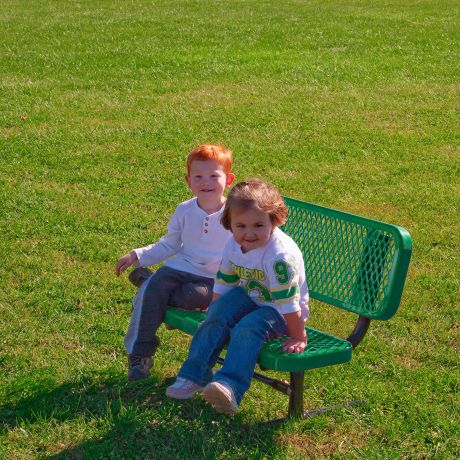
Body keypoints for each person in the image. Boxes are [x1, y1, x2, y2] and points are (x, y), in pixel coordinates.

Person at [166, 179, 309, 414]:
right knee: (218, 313)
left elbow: (289, 302)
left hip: (280, 310)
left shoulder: (278, 257)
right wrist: (215, 309)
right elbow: (226, 280)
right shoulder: (233, 244)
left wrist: (298, 336)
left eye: (258, 225)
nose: (249, 233)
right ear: (229, 224)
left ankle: (229, 386)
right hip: (252, 296)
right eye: (240, 226)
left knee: (248, 327)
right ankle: (194, 375)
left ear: (275, 221)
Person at [115, 144, 235, 381]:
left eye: (214, 175)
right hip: (181, 268)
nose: (206, 182)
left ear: (229, 179)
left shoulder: (234, 213)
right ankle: (139, 355)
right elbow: (169, 245)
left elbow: (247, 250)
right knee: (152, 291)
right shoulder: (184, 210)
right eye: (198, 176)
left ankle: (150, 285)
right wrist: (137, 255)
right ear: (188, 180)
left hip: (213, 279)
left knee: (190, 296)